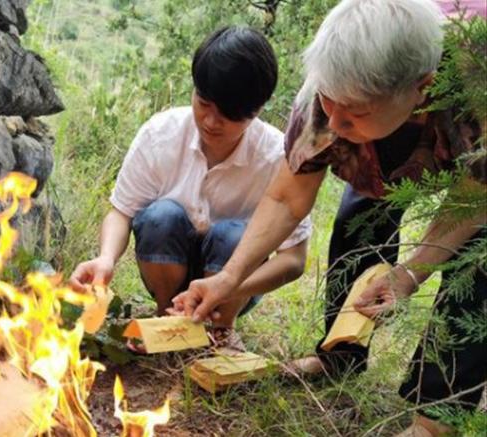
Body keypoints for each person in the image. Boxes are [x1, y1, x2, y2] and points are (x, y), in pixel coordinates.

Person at [172, 1, 486, 435]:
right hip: (393, 135)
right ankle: (340, 356)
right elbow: (286, 200)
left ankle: (435, 417)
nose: (334, 121)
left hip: (477, 170)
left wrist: (411, 272)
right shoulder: (328, 91)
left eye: (353, 111)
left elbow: (475, 196)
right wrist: (228, 279)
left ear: (423, 89)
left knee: (477, 267)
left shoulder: (476, 85)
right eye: (328, 100)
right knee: (358, 218)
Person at [69, 26, 311, 351]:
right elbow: (121, 213)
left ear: (257, 110)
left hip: (234, 286)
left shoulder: (276, 157)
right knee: (160, 216)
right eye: (203, 103)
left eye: (228, 115)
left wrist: (232, 286)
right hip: (168, 266)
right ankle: (167, 317)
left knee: (234, 236)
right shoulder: (161, 134)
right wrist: (106, 258)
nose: (211, 121)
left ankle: (221, 326)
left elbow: (294, 260)